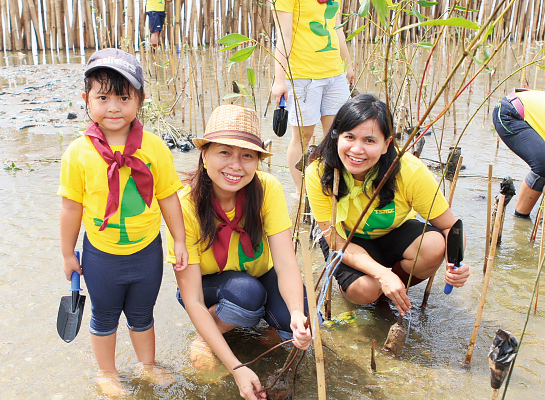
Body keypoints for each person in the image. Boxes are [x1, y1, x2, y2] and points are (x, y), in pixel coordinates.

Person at [57, 48, 188, 396]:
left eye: (123, 97)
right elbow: (71, 209)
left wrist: (178, 240)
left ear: (140, 100)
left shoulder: (154, 147)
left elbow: (168, 197)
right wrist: (68, 253)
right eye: (102, 97)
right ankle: (107, 372)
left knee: (143, 314)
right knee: (104, 316)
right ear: (86, 100)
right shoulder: (78, 153)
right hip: (100, 255)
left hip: (147, 251)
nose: (113, 107)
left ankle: (147, 365)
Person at [166, 105, 312, 400]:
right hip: (208, 288)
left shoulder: (267, 189)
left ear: (258, 160)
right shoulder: (183, 204)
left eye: (247, 155)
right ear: (204, 154)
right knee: (247, 294)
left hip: (258, 275)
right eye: (224, 152)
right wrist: (236, 367)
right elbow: (192, 298)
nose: (236, 165)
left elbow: (284, 264)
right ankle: (209, 335)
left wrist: (297, 313)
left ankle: (266, 326)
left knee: (304, 328)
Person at [305, 94, 470, 316]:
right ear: (336, 137)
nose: (356, 149)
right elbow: (335, 241)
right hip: (346, 239)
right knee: (365, 290)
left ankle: (391, 293)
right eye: (349, 137)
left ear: (387, 144)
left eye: (369, 141)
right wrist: (383, 274)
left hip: (393, 233)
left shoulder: (409, 171)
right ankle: (380, 288)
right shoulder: (319, 173)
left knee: (433, 246)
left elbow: (450, 226)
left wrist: (454, 264)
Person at [271, 0, 355, 195]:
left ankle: (332, 189)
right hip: (303, 76)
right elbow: (284, 36)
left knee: (337, 134)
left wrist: (347, 64)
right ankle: (304, 194)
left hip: (335, 75)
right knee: (302, 137)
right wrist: (279, 79)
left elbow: (337, 27)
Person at [493, 89, 545, 218]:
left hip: (518, 109)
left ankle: (523, 219)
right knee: (542, 163)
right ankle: (521, 218)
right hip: (509, 112)